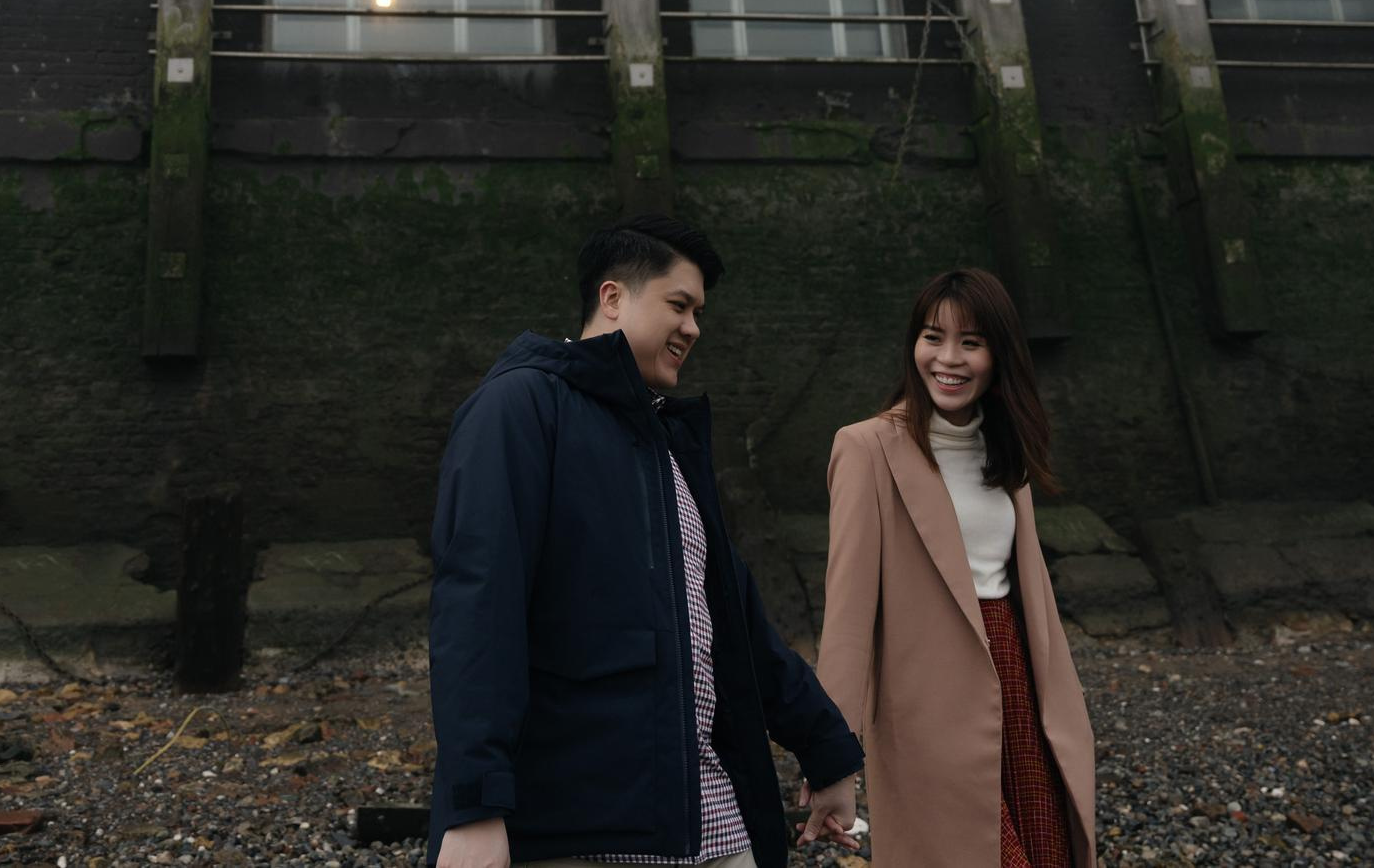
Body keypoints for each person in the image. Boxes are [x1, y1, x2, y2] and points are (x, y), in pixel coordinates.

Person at [427, 216, 865, 868]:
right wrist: (474, 806)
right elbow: (476, 609)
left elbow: (737, 624)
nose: (694, 326)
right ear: (612, 297)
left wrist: (827, 751)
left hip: (699, 812)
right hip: (572, 823)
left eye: (698, 310)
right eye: (679, 304)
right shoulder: (518, 407)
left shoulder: (667, 442)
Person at [816, 268, 1097, 868]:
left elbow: (1028, 593)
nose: (948, 359)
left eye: (970, 342)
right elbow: (846, 617)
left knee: (1050, 851)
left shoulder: (1007, 449)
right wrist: (832, 760)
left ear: (999, 353)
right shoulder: (866, 449)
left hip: (1021, 682)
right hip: (926, 706)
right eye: (931, 336)